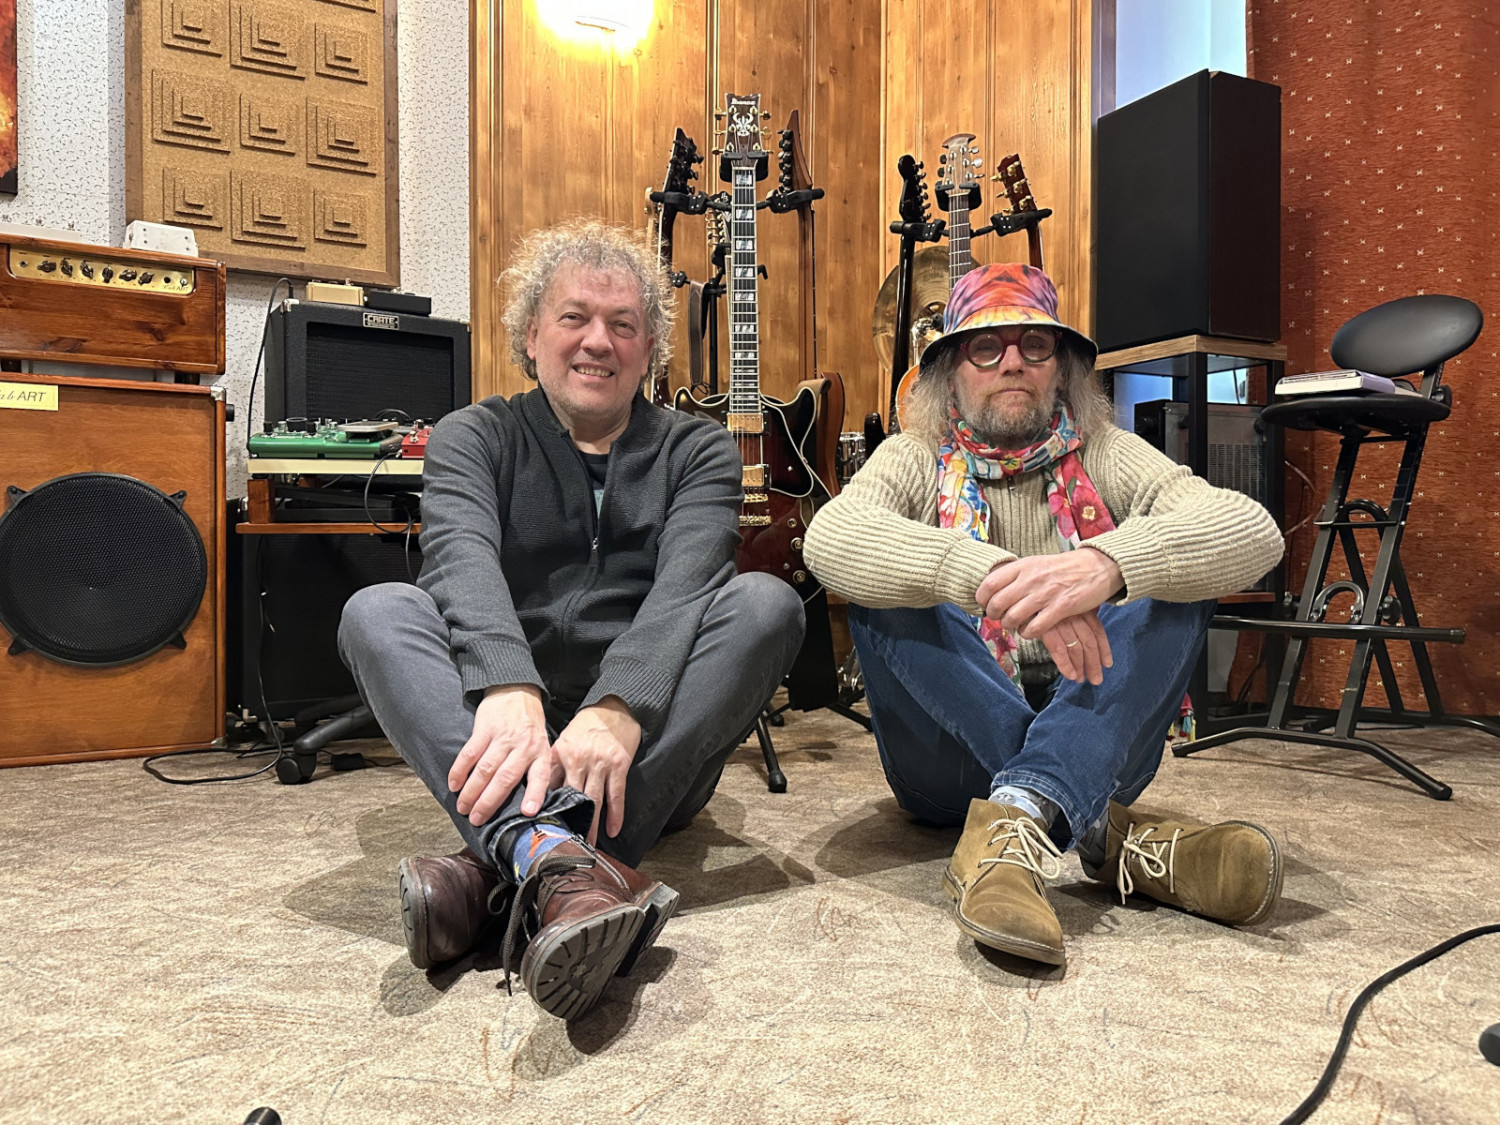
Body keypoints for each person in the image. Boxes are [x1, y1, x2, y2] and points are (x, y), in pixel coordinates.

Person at [338, 219, 805, 1018]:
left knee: (768, 604)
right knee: (377, 611)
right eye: (574, 317)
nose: (598, 341)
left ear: (649, 349)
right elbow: (458, 561)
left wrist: (619, 706)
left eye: (623, 324)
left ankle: (503, 866)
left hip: (647, 752)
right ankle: (563, 867)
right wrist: (509, 685)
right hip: (508, 738)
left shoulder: (699, 452)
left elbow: (688, 588)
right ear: (531, 335)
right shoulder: (473, 436)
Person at [804, 262, 1286, 968]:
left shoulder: (1107, 451)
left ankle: (1022, 817)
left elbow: (1253, 530)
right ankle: (1102, 832)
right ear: (949, 375)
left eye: (1034, 345)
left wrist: (1107, 565)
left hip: (1095, 724)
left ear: (1060, 371)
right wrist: (992, 577)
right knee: (887, 584)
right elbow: (831, 538)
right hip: (945, 767)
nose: (1012, 363)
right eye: (985, 347)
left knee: (1171, 572)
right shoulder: (915, 455)